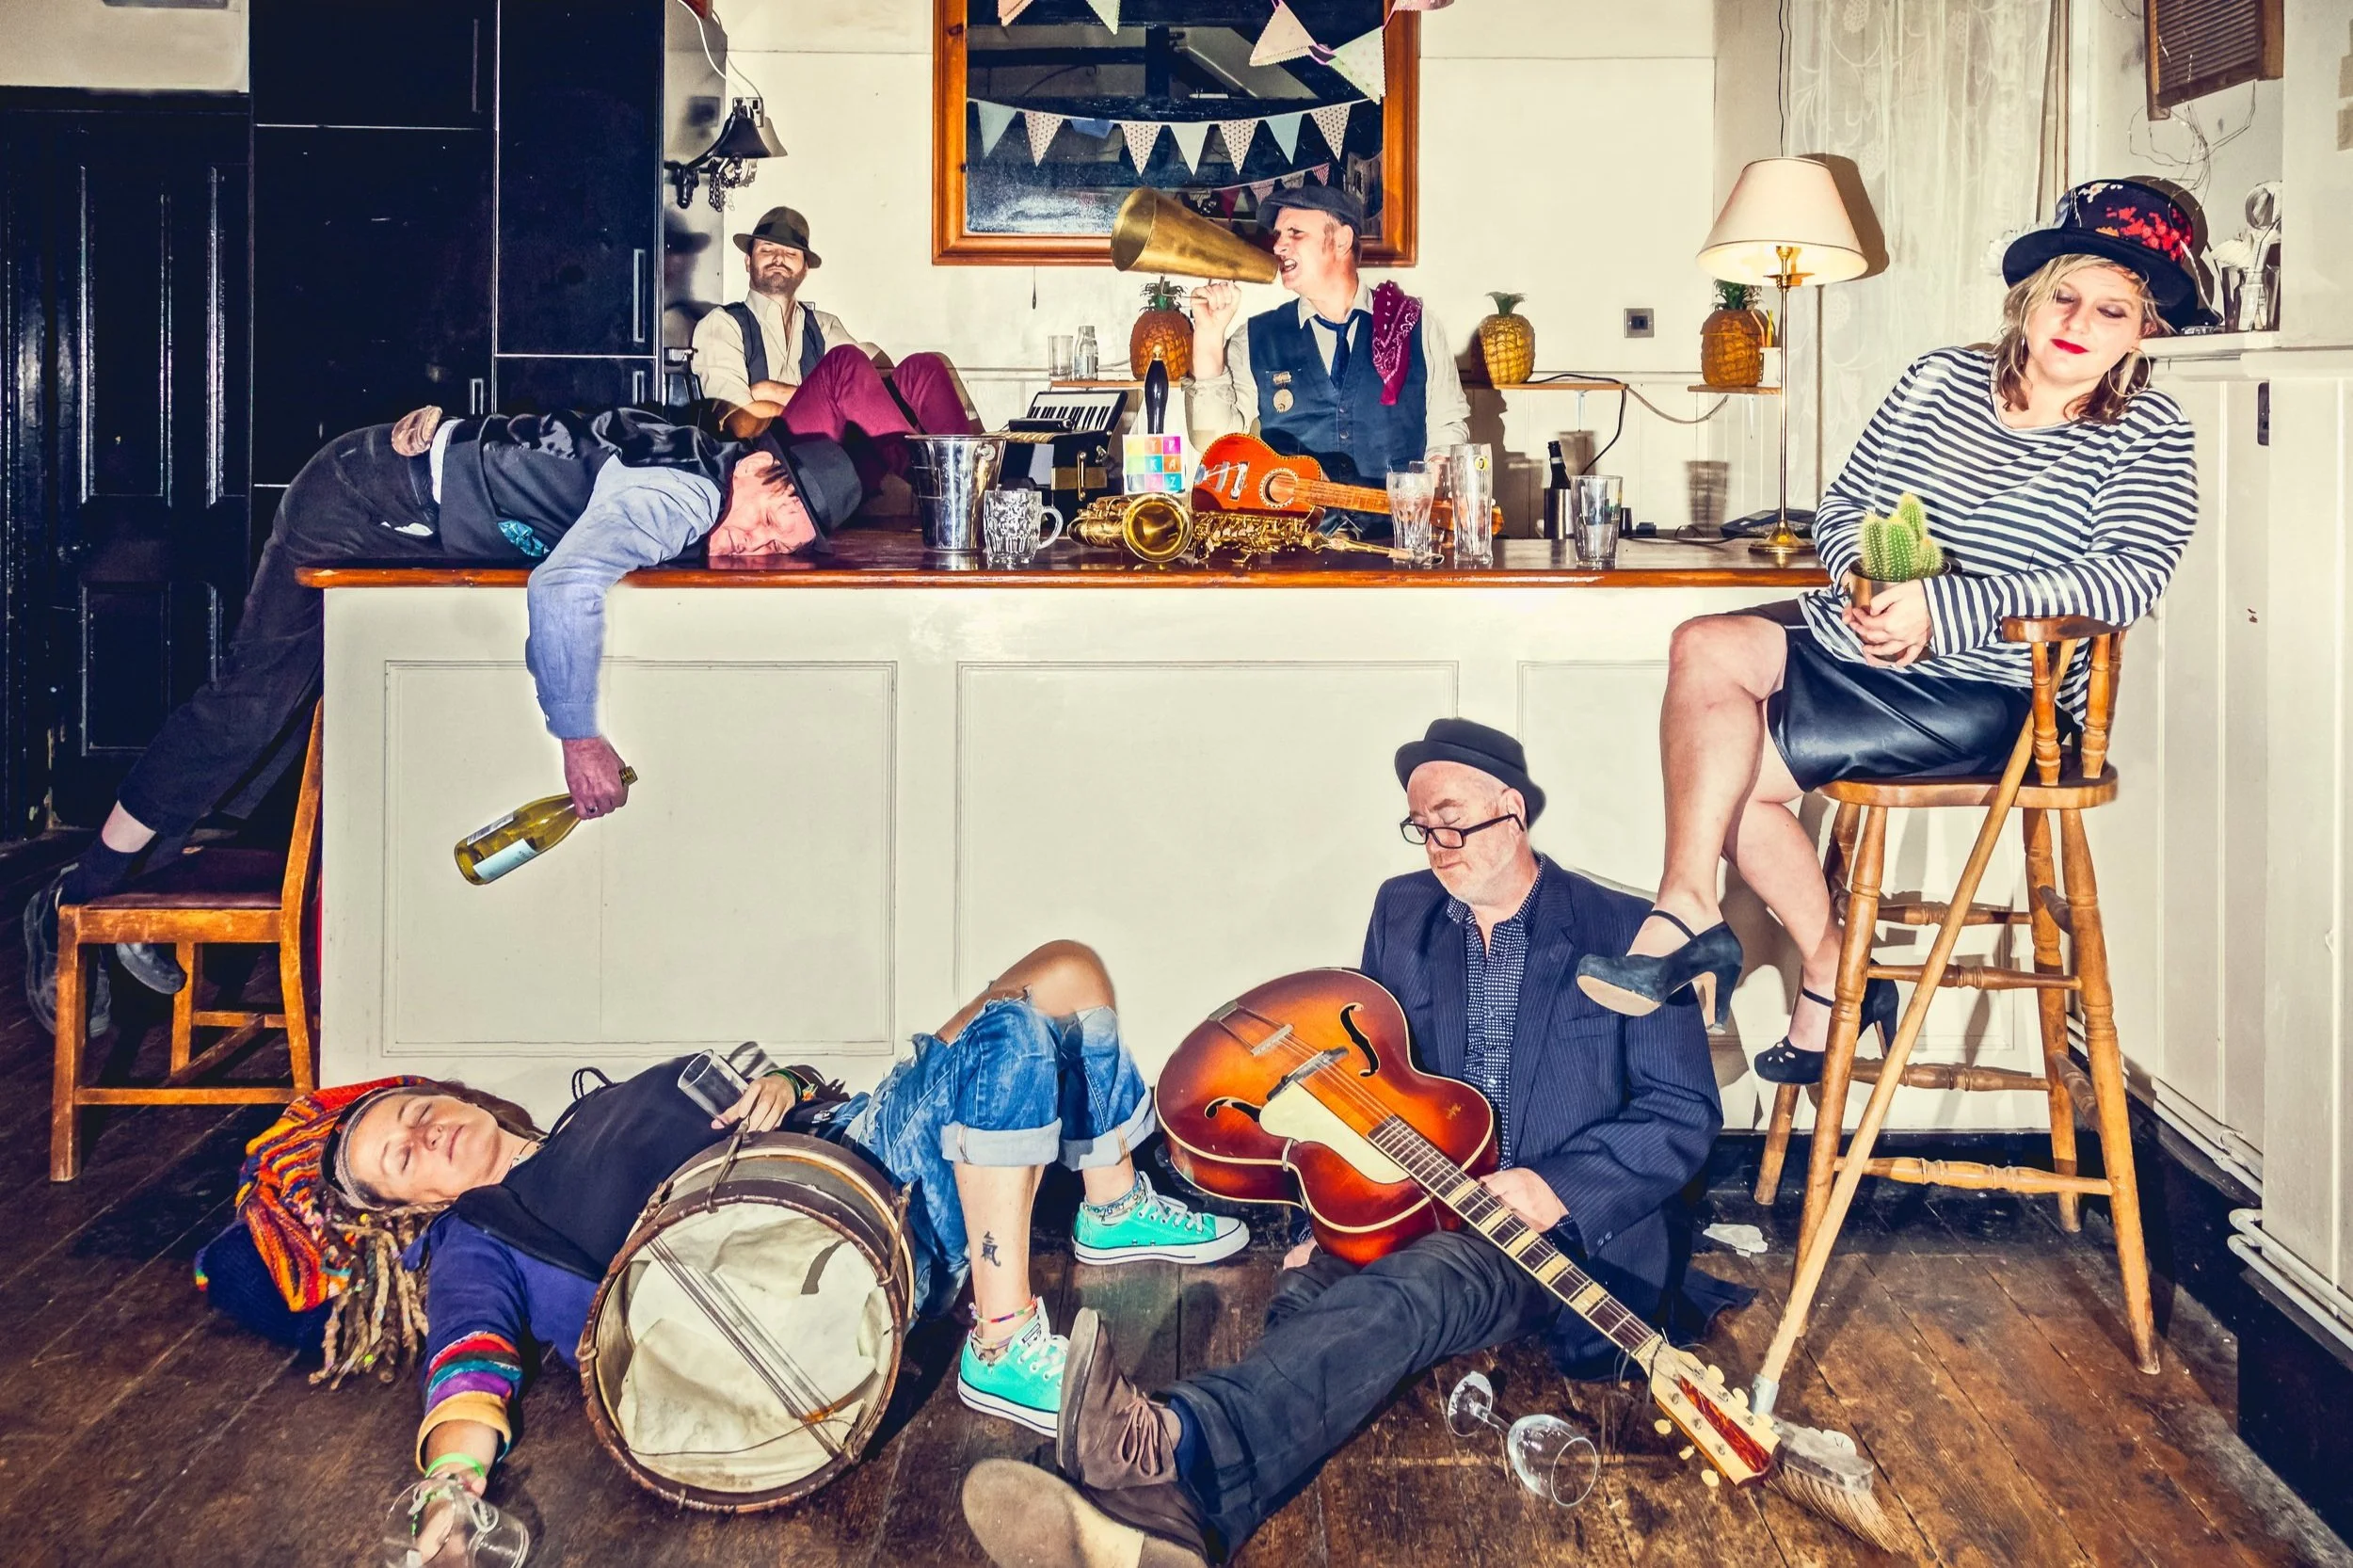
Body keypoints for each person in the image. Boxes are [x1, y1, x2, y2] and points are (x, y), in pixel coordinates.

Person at [959, 721, 1740, 1568]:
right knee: (1315, 1290)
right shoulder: (1404, 912)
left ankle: (1161, 1447)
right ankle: (1166, 1518)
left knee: (1414, 1289)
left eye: (1453, 822)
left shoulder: (1631, 929)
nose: (1436, 846)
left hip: (1550, 1235)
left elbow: (1682, 1113)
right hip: (1410, 1196)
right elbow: (1365, 1089)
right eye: (1421, 827)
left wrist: (1552, 1187)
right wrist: (1316, 1226)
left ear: (1511, 810)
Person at [191, 940, 1249, 1550]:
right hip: (821, 1258)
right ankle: (1002, 1332)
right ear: (411, 1212)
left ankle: (1110, 1204)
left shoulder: (582, 1122)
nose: (424, 1136)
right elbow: (467, 1362)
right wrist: (451, 1490)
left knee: (1061, 968)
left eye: (411, 1111)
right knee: (1014, 1037)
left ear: (443, 1087)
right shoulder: (482, 1234)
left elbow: (767, 1114)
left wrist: (784, 1084)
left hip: (842, 1148)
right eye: (403, 1160)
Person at [1571, 178, 2202, 1087]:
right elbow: (1842, 510)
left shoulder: (2147, 431)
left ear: (2142, 331)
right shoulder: (1938, 381)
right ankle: (1690, 905)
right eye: (2065, 295)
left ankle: (1824, 967)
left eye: (2112, 310)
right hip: (1858, 641)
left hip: (1993, 688)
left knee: (1734, 777)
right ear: (2031, 297)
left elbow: (2124, 578)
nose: (2079, 323)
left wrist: (1943, 607)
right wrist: (1867, 582)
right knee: (1703, 642)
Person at [21, 404, 861, 1036]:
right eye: (765, 517)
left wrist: (466, 428)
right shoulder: (679, 497)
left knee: (280, 720)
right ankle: (77, 895)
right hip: (357, 499)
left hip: (393, 498)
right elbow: (562, 587)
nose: (757, 544)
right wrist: (578, 735)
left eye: (783, 545)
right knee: (253, 703)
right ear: (754, 470)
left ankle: (135, 883)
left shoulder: (700, 458)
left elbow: (572, 430)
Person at [1185, 184, 1469, 536]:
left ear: (1341, 240)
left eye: (1295, 233)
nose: (1278, 246)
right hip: (1293, 551)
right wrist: (1210, 338)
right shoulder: (1255, 336)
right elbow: (1215, 444)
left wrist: (1436, 476)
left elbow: (1447, 427)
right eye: (1278, 235)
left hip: (1399, 548)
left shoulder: (1415, 325)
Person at [690, 203, 982, 493]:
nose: (778, 257)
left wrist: (770, 390)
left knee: (923, 368)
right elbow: (739, 422)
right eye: (766, 249)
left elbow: (870, 397)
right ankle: (938, 486)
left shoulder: (824, 325)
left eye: (791, 253)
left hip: (836, 463)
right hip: (775, 473)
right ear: (747, 261)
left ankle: (971, 479)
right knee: (845, 361)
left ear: (805, 269)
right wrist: (829, 398)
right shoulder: (722, 324)